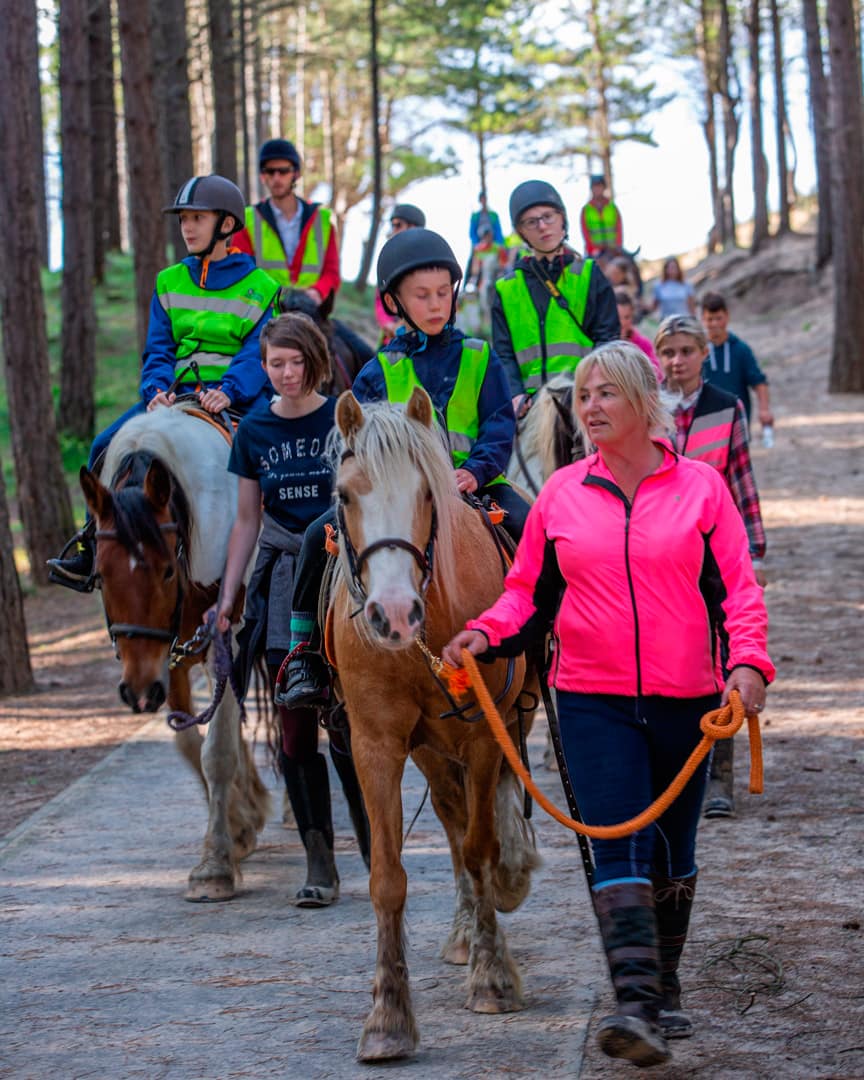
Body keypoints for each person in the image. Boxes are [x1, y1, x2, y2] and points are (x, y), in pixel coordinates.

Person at [443, 340, 774, 1067]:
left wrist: (749, 664)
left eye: (604, 394)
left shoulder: (701, 490)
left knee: (672, 853)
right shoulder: (561, 494)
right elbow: (526, 596)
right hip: (590, 699)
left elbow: (738, 596)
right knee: (614, 844)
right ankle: (636, 1004)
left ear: (643, 402)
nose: (588, 407)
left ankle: (665, 981)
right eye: (584, 395)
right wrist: (481, 634)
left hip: (688, 700)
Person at [278, 227, 528, 709]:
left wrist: (476, 470)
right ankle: (305, 654)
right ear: (394, 300)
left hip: (475, 483)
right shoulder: (378, 370)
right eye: (421, 296)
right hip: (398, 498)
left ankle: (551, 642)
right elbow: (364, 446)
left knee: (535, 528)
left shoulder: (480, 357)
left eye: (442, 294)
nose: (436, 305)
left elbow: (499, 424)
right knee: (315, 538)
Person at [48, 175, 280, 590]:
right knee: (104, 444)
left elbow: (257, 354)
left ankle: (284, 551)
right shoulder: (169, 281)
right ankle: (89, 549)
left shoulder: (262, 288)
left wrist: (228, 390)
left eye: (197, 218)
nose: (187, 227)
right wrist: (155, 391)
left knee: (275, 453)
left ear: (226, 225)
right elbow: (158, 348)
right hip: (176, 396)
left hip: (237, 396)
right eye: (183, 219)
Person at [655, 314, 768, 820]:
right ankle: (672, 768)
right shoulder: (647, 409)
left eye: (685, 350)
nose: (676, 361)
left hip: (714, 554)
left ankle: (719, 772)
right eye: (668, 352)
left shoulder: (726, 408)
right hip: (659, 556)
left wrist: (755, 551)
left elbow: (742, 481)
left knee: (724, 658)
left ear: (704, 353)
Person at [491, 179, 620, 412]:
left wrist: (592, 390)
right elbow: (503, 352)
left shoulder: (590, 275)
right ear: (521, 231)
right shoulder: (506, 288)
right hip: (531, 409)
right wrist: (516, 394)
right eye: (531, 222)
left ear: (562, 219)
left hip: (584, 403)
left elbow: (607, 338)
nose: (542, 226)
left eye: (548, 216)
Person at [234, 138, 340, 305]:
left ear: (296, 174)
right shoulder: (247, 220)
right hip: (264, 311)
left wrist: (316, 292)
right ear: (263, 176)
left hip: (311, 312)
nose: (276, 178)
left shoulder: (322, 221)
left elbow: (332, 273)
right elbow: (242, 272)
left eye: (283, 171)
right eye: (270, 171)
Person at [701, 292, 774, 430]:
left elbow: (759, 382)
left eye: (719, 318)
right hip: (705, 424)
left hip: (737, 422)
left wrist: (764, 410)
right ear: (703, 319)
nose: (715, 323)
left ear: (727, 316)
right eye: (710, 319)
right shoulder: (697, 351)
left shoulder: (741, 349)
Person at [374, 203, 427, 342]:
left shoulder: (431, 261)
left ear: (413, 227)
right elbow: (380, 300)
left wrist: (407, 325)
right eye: (393, 225)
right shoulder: (388, 260)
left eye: (398, 225)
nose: (393, 230)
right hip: (391, 340)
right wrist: (388, 324)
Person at [615, 290, 661, 380]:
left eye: (627, 317)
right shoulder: (600, 342)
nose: (622, 322)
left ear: (633, 316)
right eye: (618, 317)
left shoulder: (643, 344)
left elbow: (656, 376)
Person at [579, 173, 623, 256]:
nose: (597, 189)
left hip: (613, 251)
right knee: (585, 268)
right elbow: (585, 232)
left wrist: (618, 247)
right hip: (593, 252)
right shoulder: (586, 210)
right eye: (595, 187)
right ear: (591, 189)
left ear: (604, 188)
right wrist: (592, 249)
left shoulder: (613, 208)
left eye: (600, 186)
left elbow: (619, 229)